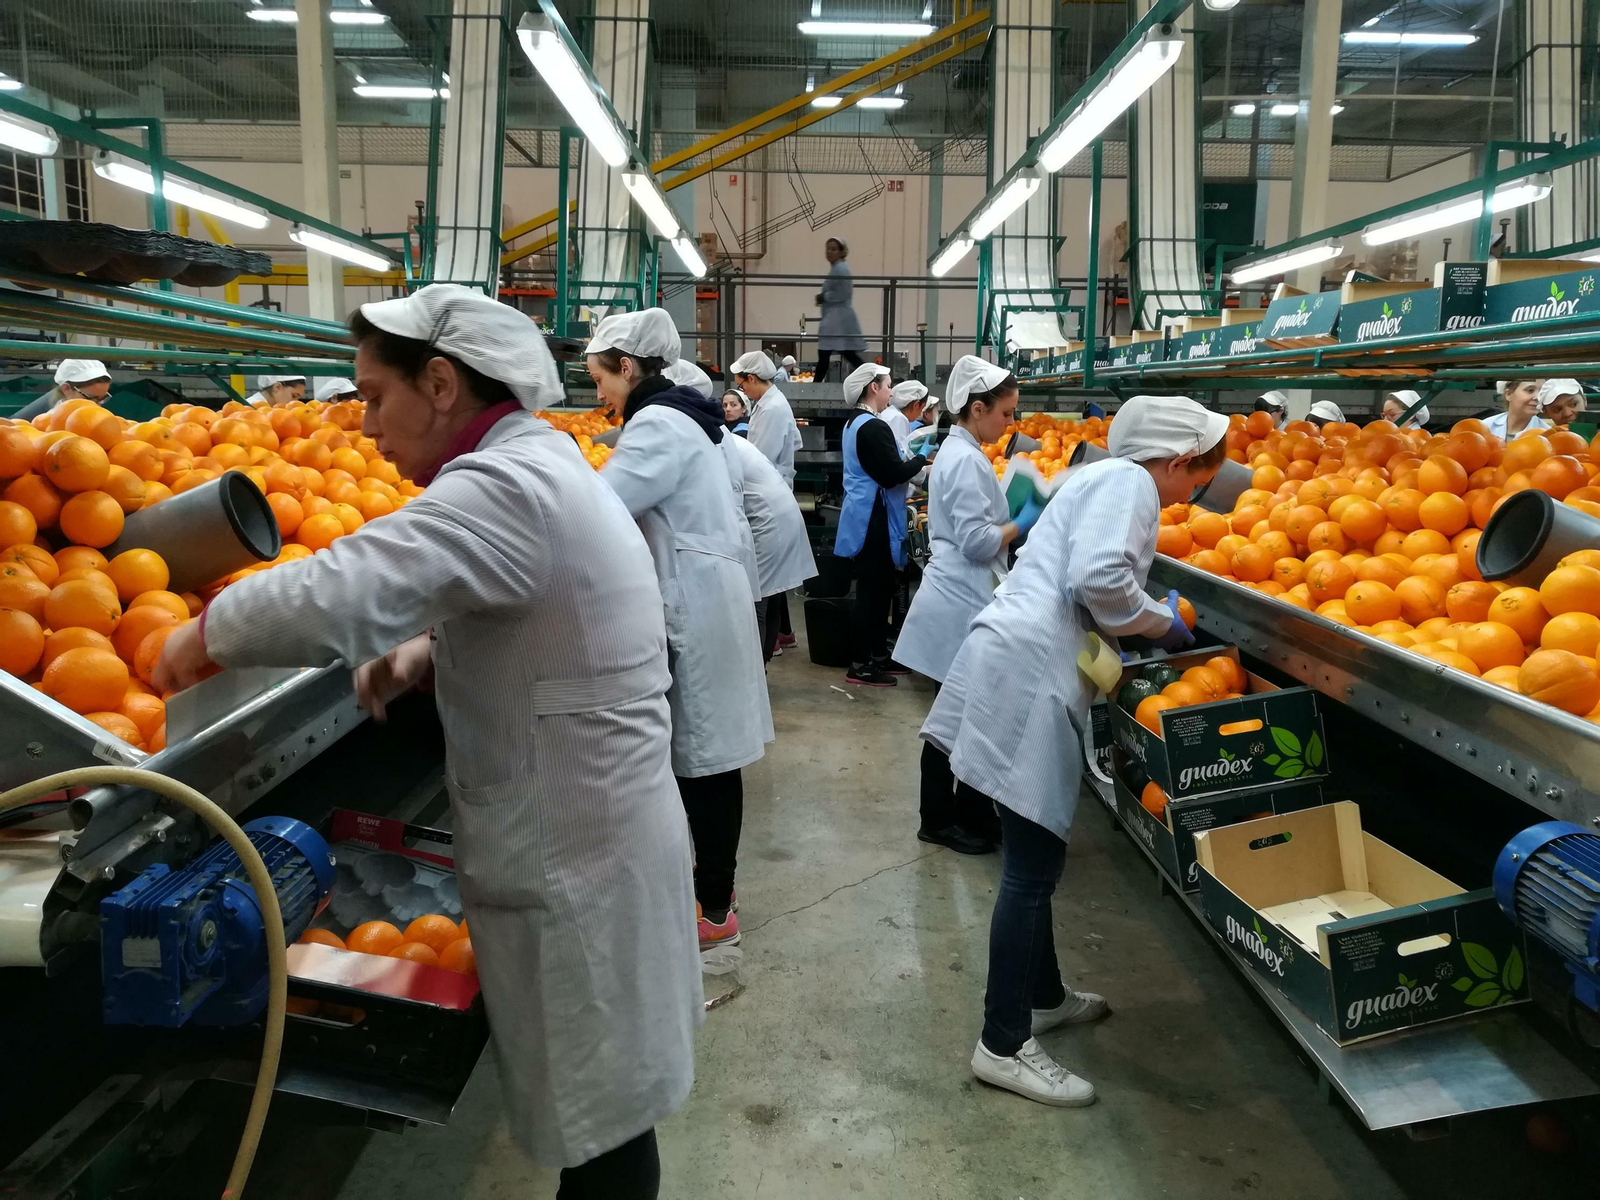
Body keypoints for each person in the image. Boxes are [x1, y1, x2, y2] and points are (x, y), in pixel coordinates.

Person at [152, 284, 701, 1196]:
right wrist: (422, 650)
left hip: (576, 858)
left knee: (602, 1135)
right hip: (599, 835)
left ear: (441, 383)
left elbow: (343, 583)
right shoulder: (538, 467)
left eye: (374, 396)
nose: (365, 425)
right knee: (606, 1116)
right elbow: (526, 605)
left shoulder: (503, 485)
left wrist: (204, 633)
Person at [922, 393, 1226, 1108]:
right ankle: (1002, 1043)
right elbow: (1099, 582)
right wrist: (1163, 623)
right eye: (1200, 478)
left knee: (1037, 851)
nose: (1196, 493)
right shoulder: (1130, 483)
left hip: (1021, 655)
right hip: (1031, 669)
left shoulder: (1096, 475)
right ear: (1178, 461)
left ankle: (1046, 997)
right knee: (1030, 866)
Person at [589, 308, 772, 953]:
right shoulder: (684, 421)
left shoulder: (658, 425)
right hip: (708, 598)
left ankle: (715, 910)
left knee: (705, 765)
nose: (600, 393)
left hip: (696, 606)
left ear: (629, 367)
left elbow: (595, 510)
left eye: (601, 378)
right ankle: (713, 890)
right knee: (707, 761)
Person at [895, 358, 1039, 856]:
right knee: (951, 721)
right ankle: (937, 819)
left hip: (963, 595)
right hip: (959, 600)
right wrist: (1025, 520)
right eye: (1006, 413)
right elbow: (979, 542)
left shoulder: (965, 453)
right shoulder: (963, 458)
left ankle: (963, 812)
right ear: (977, 409)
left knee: (962, 715)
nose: (1011, 424)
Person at [835, 361, 930, 688]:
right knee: (873, 592)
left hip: (863, 512)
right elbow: (891, 474)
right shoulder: (873, 428)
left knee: (877, 589)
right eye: (888, 384)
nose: (891, 390)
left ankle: (876, 655)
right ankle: (860, 664)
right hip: (871, 517)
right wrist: (922, 459)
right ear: (873, 387)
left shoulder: (854, 424)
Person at [730, 350, 800, 485]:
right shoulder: (767, 402)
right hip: (766, 483)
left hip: (769, 485)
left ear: (751, 378)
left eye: (741, 386)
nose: (743, 391)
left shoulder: (772, 408)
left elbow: (760, 458)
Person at [816, 237, 867, 381]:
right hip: (835, 318)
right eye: (828, 249)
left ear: (841, 252)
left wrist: (824, 297)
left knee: (827, 353)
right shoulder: (837, 269)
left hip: (837, 319)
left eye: (834, 249)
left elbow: (843, 293)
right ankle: (873, 377)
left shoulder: (841, 269)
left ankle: (814, 386)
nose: (829, 252)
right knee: (844, 353)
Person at [13, 359, 114, 421]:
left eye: (102, 398)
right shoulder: (49, 422)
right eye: (91, 398)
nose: (98, 405)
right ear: (66, 389)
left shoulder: (99, 419)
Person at [1481, 379, 1547, 441]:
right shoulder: (1485, 427)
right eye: (1530, 390)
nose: (1537, 397)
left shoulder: (1546, 434)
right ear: (1508, 394)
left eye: (1541, 392)